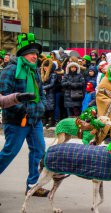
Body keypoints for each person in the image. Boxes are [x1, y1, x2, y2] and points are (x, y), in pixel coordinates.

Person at [0, 33, 50, 197]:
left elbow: (41, 92)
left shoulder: (34, 70)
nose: (35, 56)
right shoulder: (11, 70)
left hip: (35, 120)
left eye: (36, 54)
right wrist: (24, 110)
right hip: (16, 121)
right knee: (10, 152)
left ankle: (32, 185)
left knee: (39, 151)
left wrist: (41, 107)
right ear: (22, 54)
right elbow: (4, 95)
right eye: (32, 53)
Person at [40, 58, 58, 128]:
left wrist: (42, 88)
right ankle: (45, 120)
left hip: (50, 93)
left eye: (46, 66)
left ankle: (52, 121)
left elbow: (52, 84)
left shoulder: (53, 74)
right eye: (44, 66)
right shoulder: (42, 74)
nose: (45, 68)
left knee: (50, 108)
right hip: (44, 93)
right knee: (44, 107)